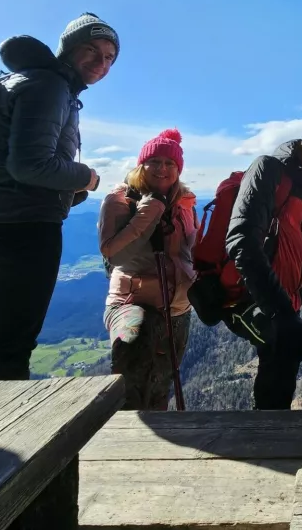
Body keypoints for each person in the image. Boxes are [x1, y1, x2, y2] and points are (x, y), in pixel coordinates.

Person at [0, 13, 118, 383]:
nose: (101, 63)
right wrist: (88, 177)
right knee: (9, 347)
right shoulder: (50, 86)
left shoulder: (30, 80)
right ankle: (0, 436)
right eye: (91, 50)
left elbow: (18, 163)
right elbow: (31, 165)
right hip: (24, 226)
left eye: (109, 57)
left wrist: (67, 193)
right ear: (68, 49)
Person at [224, 115, 302, 410]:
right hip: (253, 295)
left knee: (284, 363)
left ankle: (272, 431)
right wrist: (280, 310)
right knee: (280, 362)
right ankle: (268, 439)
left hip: (284, 295)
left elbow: (291, 242)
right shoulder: (269, 170)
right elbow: (241, 241)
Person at [99, 129, 197, 410]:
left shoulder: (185, 202)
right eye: (154, 161)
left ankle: (157, 448)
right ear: (141, 165)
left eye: (170, 163)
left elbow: (189, 251)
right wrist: (149, 211)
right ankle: (124, 441)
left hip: (178, 307)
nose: (162, 168)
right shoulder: (119, 201)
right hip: (131, 303)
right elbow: (115, 254)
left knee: (162, 382)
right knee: (130, 383)